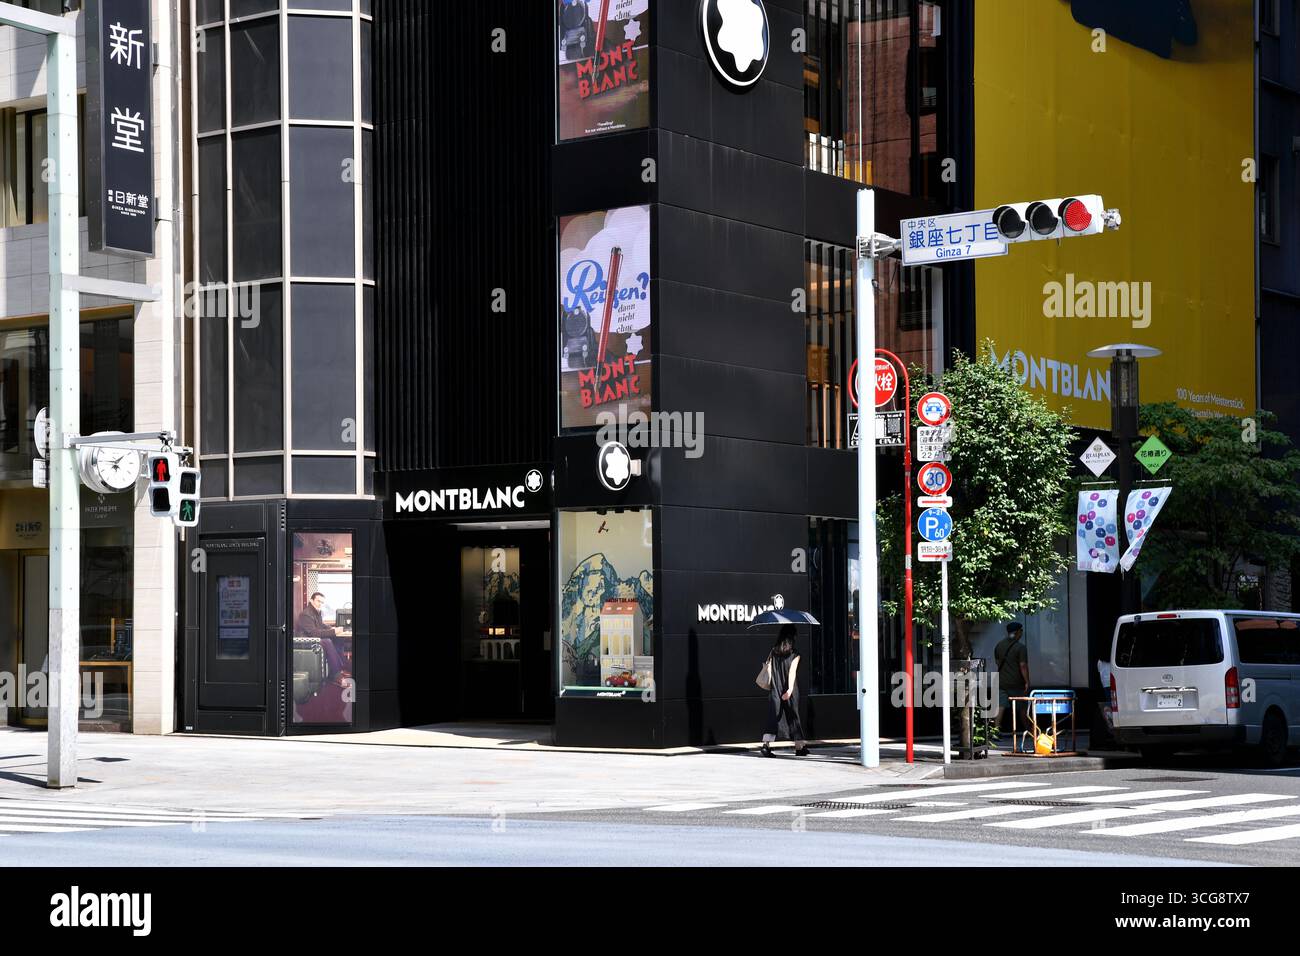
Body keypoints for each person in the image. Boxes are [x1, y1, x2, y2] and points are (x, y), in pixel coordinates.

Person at [760, 625, 809, 757]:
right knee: (794, 717)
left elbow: (767, 665)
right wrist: (790, 690)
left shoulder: (773, 651)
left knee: (772, 718)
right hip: (790, 691)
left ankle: (766, 746)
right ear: (792, 637)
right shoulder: (795, 654)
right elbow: (792, 672)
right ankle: (799, 748)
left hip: (775, 690)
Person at [994, 621, 1030, 735]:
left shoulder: (999, 645)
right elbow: (1023, 665)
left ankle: (995, 731)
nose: (1022, 633)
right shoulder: (1021, 647)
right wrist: (1027, 681)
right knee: (1022, 707)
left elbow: (997, 662)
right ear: (1018, 632)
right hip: (1016, 683)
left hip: (1001, 682)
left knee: (1000, 706)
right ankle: (1029, 730)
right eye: (1021, 631)